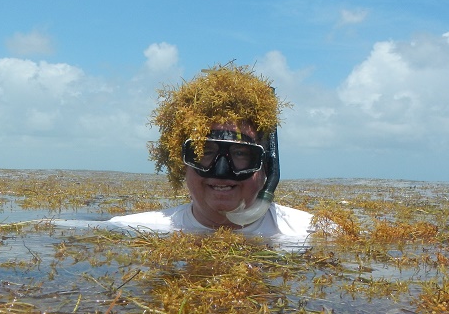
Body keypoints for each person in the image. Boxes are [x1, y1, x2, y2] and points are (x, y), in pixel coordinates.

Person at [108, 64, 313, 241]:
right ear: (181, 162)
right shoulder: (130, 231)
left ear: (265, 165)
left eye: (240, 154)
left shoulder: (312, 233)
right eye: (204, 151)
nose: (221, 171)